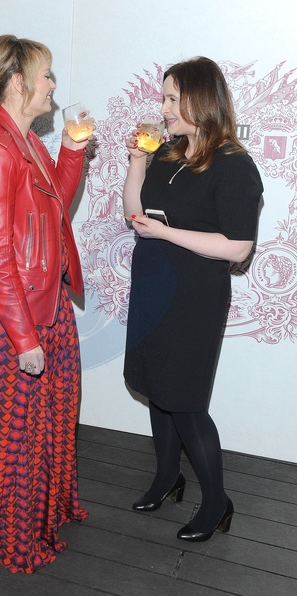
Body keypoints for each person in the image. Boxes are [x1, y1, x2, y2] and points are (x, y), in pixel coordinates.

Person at [0, 34, 92, 573]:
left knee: (45, 423)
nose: (53, 84)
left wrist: (72, 148)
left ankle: (40, 515)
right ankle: (7, 532)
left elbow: (53, 204)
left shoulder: (25, 142)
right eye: (45, 75)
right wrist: (24, 339)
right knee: (14, 436)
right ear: (17, 82)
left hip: (44, 304)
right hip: (12, 320)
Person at [122, 57, 263, 542]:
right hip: (152, 286)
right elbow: (136, 215)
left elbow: (238, 247)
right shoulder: (167, 152)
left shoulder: (234, 165)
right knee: (157, 389)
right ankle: (167, 477)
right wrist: (137, 163)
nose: (163, 109)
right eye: (163, 98)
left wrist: (167, 233)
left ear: (201, 101)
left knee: (184, 401)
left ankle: (217, 502)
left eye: (172, 99)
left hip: (194, 297)